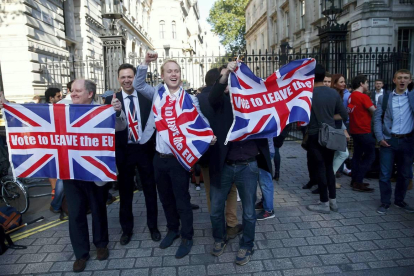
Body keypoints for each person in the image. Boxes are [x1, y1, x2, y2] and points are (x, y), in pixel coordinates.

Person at [133, 52, 216, 259]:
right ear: (162, 75)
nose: (173, 74)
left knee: (182, 200)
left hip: (178, 159)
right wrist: (145, 63)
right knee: (166, 199)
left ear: (180, 74)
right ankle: (173, 230)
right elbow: (138, 85)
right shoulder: (157, 95)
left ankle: (187, 236)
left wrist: (209, 135)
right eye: (169, 71)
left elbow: (200, 120)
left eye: (176, 71)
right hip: (159, 157)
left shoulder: (190, 99)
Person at [208, 60, 272, 265]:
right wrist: (226, 72)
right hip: (224, 164)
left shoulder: (256, 102)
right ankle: (219, 239)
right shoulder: (221, 102)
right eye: (229, 80)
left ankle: (247, 245)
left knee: (249, 212)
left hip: (248, 165)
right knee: (216, 208)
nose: (232, 84)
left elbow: (276, 120)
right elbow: (213, 96)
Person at [61, 79, 126, 272]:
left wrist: (116, 112)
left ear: (90, 94)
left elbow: (121, 127)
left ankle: (101, 245)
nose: (73, 94)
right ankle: (81, 254)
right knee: (75, 213)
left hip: (95, 170)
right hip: (71, 172)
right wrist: (6, 106)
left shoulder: (103, 110)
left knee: (98, 209)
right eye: (72, 90)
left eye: (78, 91)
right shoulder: (61, 108)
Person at [105, 64, 160, 244]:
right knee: (125, 192)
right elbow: (106, 129)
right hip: (124, 151)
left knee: (150, 190)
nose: (127, 80)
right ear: (118, 79)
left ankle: (153, 227)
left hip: (145, 149)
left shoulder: (146, 97)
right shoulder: (111, 100)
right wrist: (115, 112)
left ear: (135, 78)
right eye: (123, 77)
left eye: (130, 76)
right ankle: (126, 230)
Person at [196, 67, 243, 239]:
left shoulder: (197, 99)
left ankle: (216, 223)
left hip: (206, 153)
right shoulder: (226, 99)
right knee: (230, 189)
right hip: (227, 153)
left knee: (212, 190)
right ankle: (231, 223)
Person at [306, 65, 348, 214]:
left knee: (320, 168)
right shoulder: (333, 94)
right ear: (324, 76)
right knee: (329, 167)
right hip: (330, 134)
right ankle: (333, 202)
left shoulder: (307, 94)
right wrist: (329, 118)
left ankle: (323, 203)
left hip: (314, 134)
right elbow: (344, 115)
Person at [374, 69, 414, 214]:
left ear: (410, 81)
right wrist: (380, 138)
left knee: (405, 174)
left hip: (407, 141)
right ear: (394, 80)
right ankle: (385, 202)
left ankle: (399, 200)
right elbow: (377, 119)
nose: (402, 80)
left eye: (406, 78)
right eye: (400, 78)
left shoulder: (412, 97)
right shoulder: (384, 98)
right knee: (385, 174)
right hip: (389, 141)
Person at [347, 74, 376, 192]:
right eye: (367, 82)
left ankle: (354, 180)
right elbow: (374, 111)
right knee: (370, 156)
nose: (368, 85)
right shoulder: (363, 97)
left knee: (357, 155)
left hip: (354, 130)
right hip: (364, 130)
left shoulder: (351, 96)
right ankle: (358, 181)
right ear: (361, 84)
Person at [44, 88, 64, 213]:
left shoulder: (60, 109)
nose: (60, 99)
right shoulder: (45, 111)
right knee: (61, 176)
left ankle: (57, 203)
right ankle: (57, 204)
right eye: (58, 96)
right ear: (51, 98)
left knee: (60, 176)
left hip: (58, 147)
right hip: (52, 148)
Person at [330, 74, 351, 188]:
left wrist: (344, 130)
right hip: (332, 129)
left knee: (337, 155)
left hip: (337, 128)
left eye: (344, 81)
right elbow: (336, 115)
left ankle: (330, 178)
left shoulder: (340, 94)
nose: (344, 84)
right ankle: (329, 177)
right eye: (341, 82)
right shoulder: (333, 95)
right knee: (344, 153)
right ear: (335, 83)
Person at [255, 138, 275, 220]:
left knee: (265, 181)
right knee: (263, 180)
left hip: (263, 151)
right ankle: (265, 203)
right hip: (264, 150)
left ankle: (269, 210)